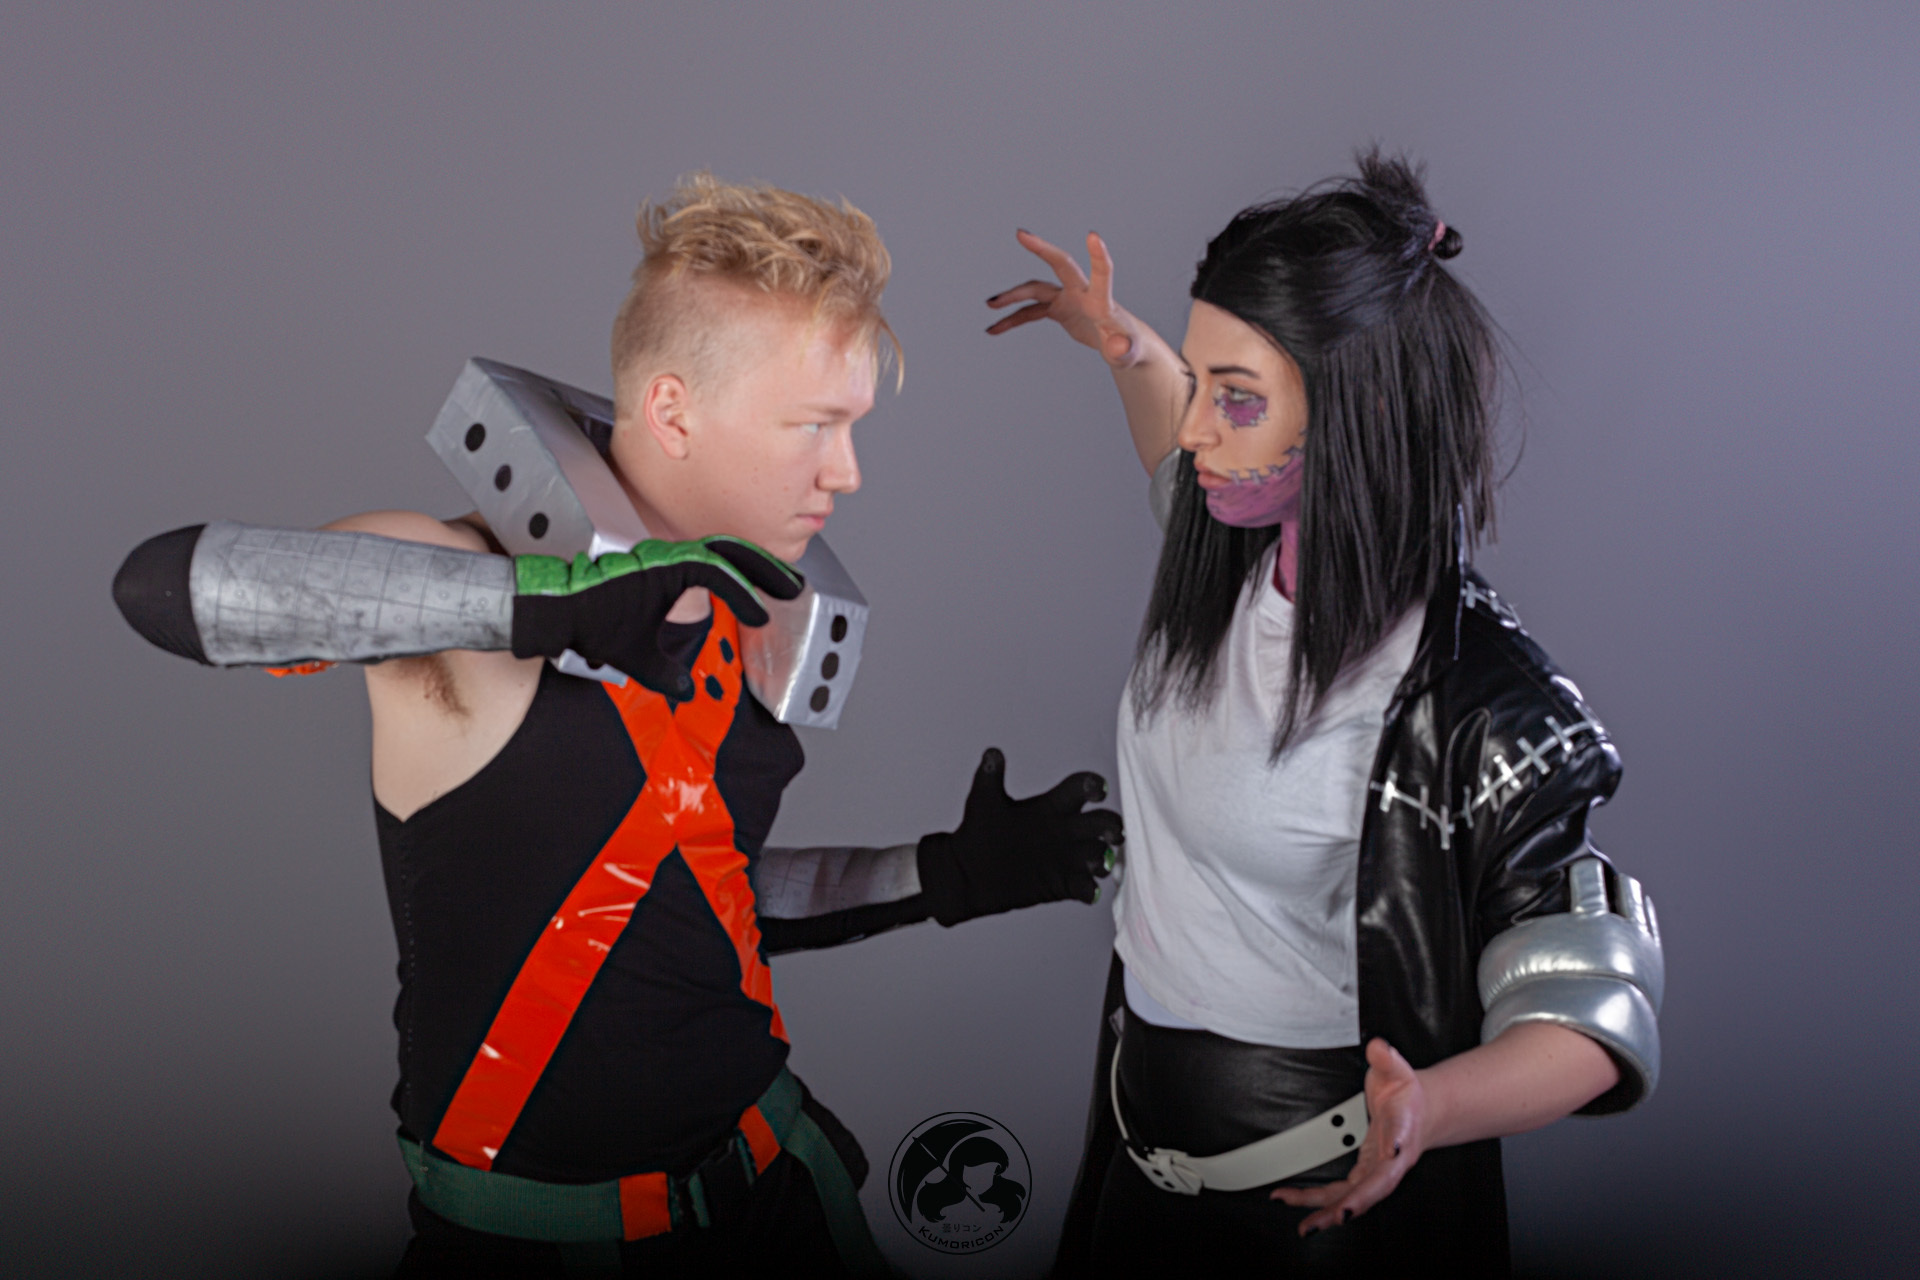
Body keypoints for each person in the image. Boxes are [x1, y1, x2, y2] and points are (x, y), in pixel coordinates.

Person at [111, 173, 1122, 1278]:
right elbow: (171, 587)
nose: (847, 472)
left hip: (780, 1184)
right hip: (545, 1241)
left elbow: (698, 895)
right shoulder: (457, 581)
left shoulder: (744, 623)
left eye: (852, 427)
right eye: (813, 426)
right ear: (674, 411)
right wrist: (551, 605)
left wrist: (939, 874)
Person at [985, 151, 1664, 1276]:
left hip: (1314, 1193)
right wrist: (1124, 345)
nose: (1198, 428)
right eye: (1202, 383)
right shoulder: (1226, 553)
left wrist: (1433, 1107)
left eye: (1238, 398)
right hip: (1139, 1149)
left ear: (1361, 411)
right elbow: (1171, 442)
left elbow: (1595, 1006)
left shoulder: (1481, 705)